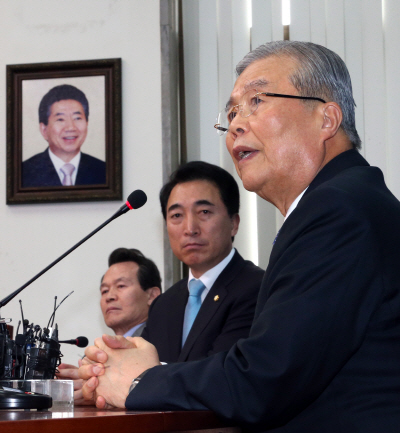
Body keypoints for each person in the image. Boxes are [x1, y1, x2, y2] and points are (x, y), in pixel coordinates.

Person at [78, 40, 400, 432]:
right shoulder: (342, 201)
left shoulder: (339, 210)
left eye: (257, 101)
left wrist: (141, 379)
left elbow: (265, 377)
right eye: (231, 112)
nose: (235, 125)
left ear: (326, 119)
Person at [140, 161, 264, 362]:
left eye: (204, 212)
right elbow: (142, 365)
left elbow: (221, 372)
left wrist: (150, 377)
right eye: (177, 215)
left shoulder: (257, 289)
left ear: (234, 223)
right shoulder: (163, 305)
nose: (190, 228)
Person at [56, 247, 161, 404]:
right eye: (104, 291)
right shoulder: (102, 351)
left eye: (121, 286)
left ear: (152, 295)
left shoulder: (161, 343)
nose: (109, 297)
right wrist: (86, 380)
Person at [22, 84, 106, 187]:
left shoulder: (104, 170)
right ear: (44, 129)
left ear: (87, 123)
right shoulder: (24, 173)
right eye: (60, 119)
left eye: (77, 118)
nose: (71, 127)